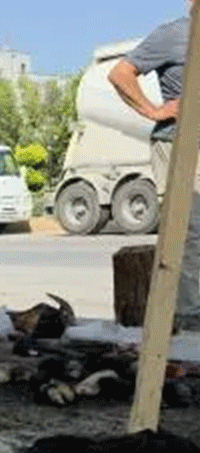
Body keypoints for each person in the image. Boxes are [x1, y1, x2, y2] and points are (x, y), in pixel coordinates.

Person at [110, 5, 200, 328]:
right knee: (191, 229)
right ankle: (190, 318)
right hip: (178, 142)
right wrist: (153, 110)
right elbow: (120, 74)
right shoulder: (176, 34)